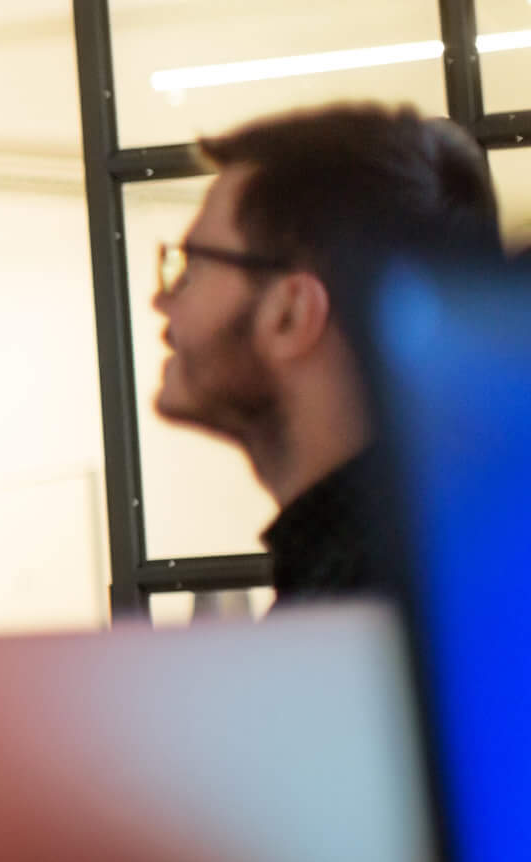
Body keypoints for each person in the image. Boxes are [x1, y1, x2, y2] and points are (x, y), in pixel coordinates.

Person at [153, 101, 499, 604]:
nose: (161, 300)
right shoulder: (453, 554)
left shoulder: (376, 614)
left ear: (292, 314)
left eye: (192, 267)